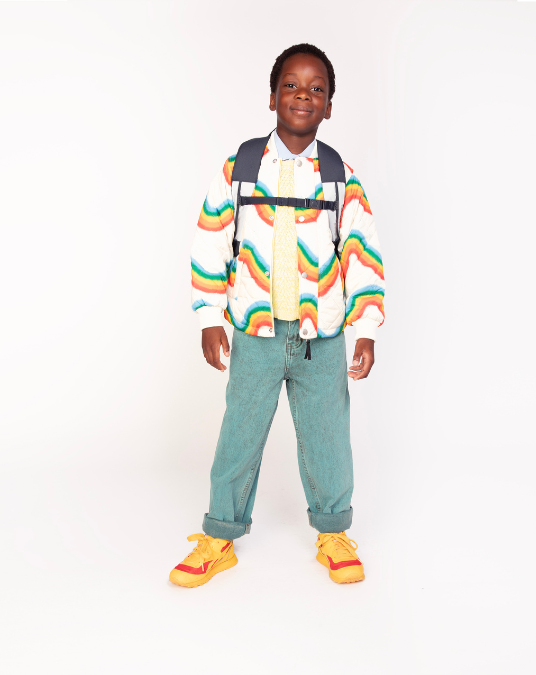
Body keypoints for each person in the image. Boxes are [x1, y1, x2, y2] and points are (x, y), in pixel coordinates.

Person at [170, 43, 385, 587]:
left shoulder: (339, 176)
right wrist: (209, 316)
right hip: (256, 334)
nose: (303, 95)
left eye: (317, 89)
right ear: (272, 97)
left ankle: (333, 531)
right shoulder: (241, 167)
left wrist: (365, 328)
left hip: (322, 339)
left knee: (328, 437)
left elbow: (361, 252)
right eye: (291, 85)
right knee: (238, 436)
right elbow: (211, 238)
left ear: (329, 105)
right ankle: (220, 535)